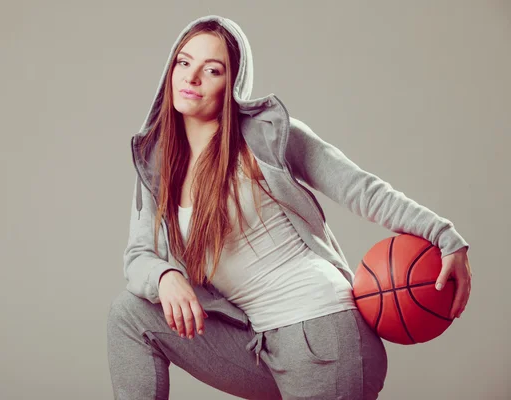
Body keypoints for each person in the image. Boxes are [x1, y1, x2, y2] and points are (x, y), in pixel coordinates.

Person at [107, 15, 472, 400]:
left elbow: (361, 189)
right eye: (183, 62)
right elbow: (138, 257)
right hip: (258, 345)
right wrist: (165, 276)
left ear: (231, 84)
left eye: (211, 70)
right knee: (129, 314)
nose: (191, 77)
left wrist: (445, 236)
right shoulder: (156, 165)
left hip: (322, 332)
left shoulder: (264, 136)